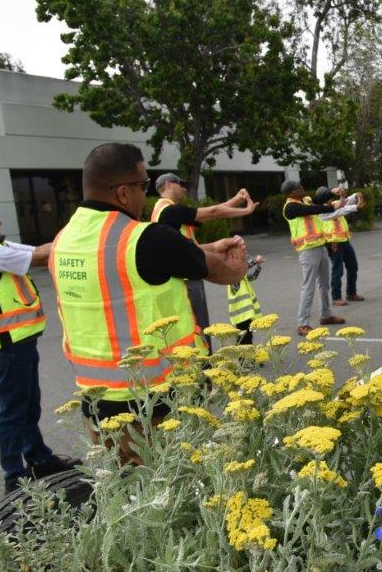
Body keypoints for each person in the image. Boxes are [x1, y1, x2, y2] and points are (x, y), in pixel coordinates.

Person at [51, 143, 247, 462]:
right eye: (144, 186)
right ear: (124, 193)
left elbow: (177, 256)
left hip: (97, 402)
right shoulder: (143, 238)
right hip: (153, 403)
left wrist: (209, 247)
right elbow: (212, 269)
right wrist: (237, 268)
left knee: (128, 499)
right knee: (171, 496)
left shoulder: (64, 241)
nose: (148, 195)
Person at [0, 196, 79, 494]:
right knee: (12, 411)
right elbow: (41, 256)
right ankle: (14, 476)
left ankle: (39, 458)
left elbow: (33, 250)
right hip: (6, 346)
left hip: (14, 342)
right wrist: (75, 233)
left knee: (27, 404)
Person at [151, 173, 257, 347]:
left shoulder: (164, 213)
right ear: (169, 184)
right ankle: (205, 367)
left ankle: (199, 364)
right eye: (182, 183)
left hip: (178, 281)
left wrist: (216, 246)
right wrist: (245, 210)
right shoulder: (170, 210)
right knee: (198, 327)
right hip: (188, 281)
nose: (185, 188)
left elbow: (190, 245)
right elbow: (212, 212)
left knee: (190, 327)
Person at [281, 180, 355, 336]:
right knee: (308, 287)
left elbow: (319, 201)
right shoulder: (290, 207)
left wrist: (334, 194)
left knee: (324, 284)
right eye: (299, 187)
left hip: (320, 246)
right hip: (308, 250)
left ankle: (326, 315)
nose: (303, 188)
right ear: (292, 193)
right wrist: (331, 206)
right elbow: (314, 209)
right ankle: (303, 323)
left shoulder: (306, 200)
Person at [320, 186, 366, 306]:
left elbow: (345, 203)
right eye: (329, 197)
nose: (331, 199)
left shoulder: (333, 204)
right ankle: (336, 297)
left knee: (353, 267)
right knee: (337, 270)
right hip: (333, 243)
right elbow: (340, 211)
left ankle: (351, 293)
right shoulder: (321, 210)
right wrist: (356, 207)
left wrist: (356, 195)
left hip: (344, 241)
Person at [228, 255, 264, 345]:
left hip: (247, 315)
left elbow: (253, 277)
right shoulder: (233, 279)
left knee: (248, 336)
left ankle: (247, 357)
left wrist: (258, 267)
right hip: (241, 316)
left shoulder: (241, 277)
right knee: (244, 338)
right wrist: (255, 261)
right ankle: (244, 358)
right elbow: (241, 270)